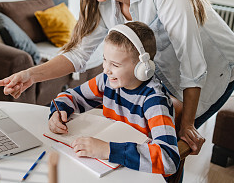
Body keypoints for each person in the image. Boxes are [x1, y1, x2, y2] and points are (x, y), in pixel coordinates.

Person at [0, 0, 234, 155]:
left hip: (216, 65)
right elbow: (78, 55)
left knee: (171, 141)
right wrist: (30, 75)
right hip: (164, 71)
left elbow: (192, 61)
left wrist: (187, 124)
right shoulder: (105, 4)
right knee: (146, 137)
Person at [49, 21, 180, 176]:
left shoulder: (154, 100)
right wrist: (58, 111)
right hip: (107, 165)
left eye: (115, 65)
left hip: (138, 173)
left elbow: (168, 159)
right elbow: (72, 97)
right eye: (105, 60)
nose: (106, 69)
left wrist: (106, 149)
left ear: (142, 68)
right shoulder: (106, 81)